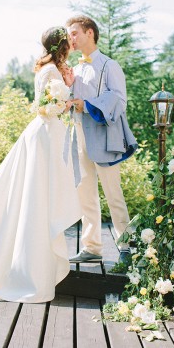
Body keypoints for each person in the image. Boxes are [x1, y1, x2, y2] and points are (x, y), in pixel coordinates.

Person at [0, 27, 82, 303]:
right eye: (68, 42)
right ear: (62, 46)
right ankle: (27, 274)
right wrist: (68, 100)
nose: (71, 45)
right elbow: (46, 107)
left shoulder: (50, 68)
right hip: (44, 137)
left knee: (39, 200)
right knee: (35, 201)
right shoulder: (48, 71)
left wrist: (67, 85)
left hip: (48, 135)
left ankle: (35, 268)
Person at [65, 15, 137, 264]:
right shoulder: (74, 69)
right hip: (79, 136)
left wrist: (86, 105)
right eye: (69, 34)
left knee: (113, 192)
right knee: (85, 193)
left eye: (74, 33)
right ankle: (92, 247)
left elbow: (118, 99)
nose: (70, 38)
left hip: (104, 137)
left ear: (90, 33)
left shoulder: (109, 65)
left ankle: (126, 246)